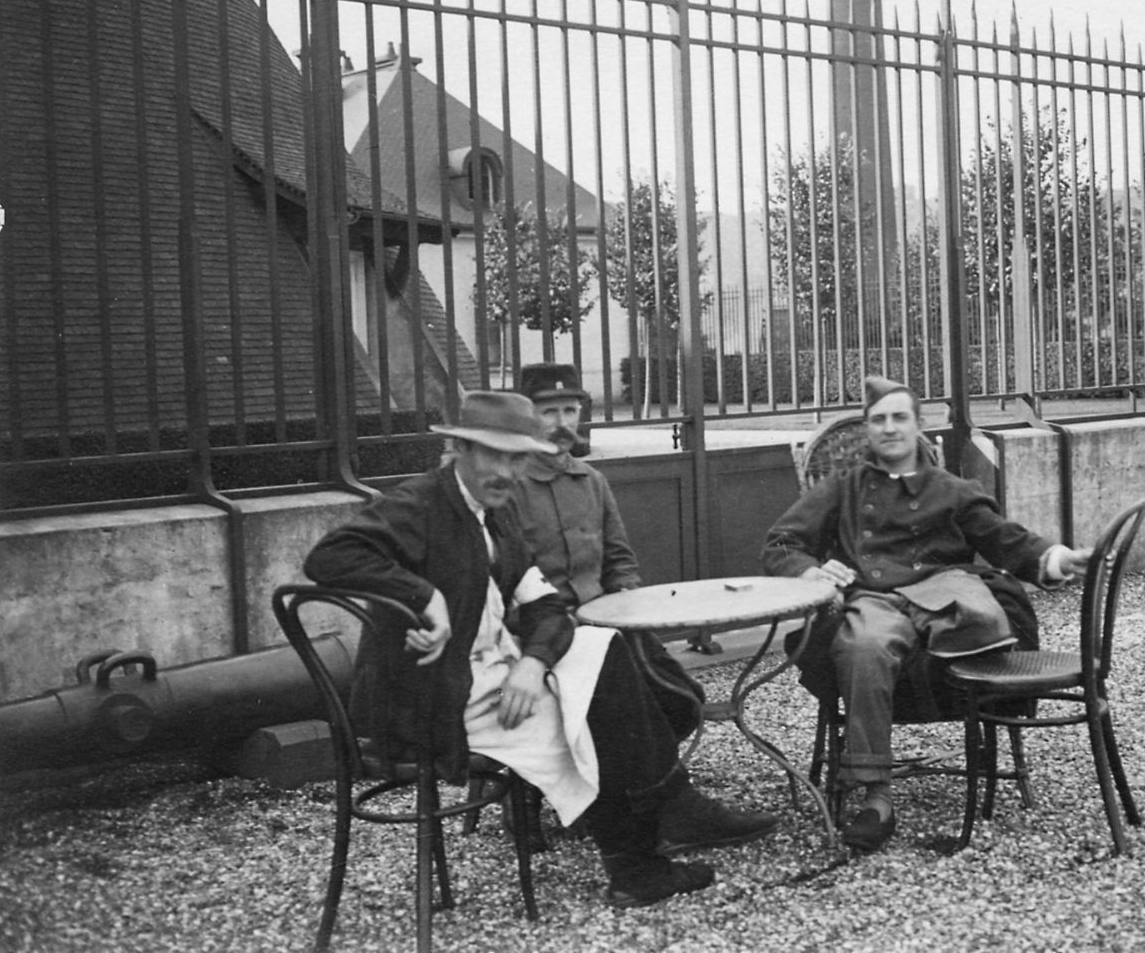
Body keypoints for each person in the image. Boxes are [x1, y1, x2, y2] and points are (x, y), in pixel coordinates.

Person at [303, 390, 768, 908]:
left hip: (492, 679)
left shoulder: (496, 516)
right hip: (426, 699)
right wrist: (422, 596)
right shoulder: (418, 504)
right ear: (460, 448)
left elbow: (545, 605)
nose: (507, 470)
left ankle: (653, 834)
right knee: (599, 709)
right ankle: (647, 846)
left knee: (606, 653)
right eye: (494, 454)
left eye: (518, 457)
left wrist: (533, 662)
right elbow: (329, 558)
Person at [761, 376, 1092, 853]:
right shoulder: (845, 488)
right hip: (876, 596)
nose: (889, 429)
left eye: (900, 418)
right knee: (863, 645)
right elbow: (781, 542)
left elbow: (1006, 539)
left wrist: (1056, 558)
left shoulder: (952, 489)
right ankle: (877, 796)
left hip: (946, 592)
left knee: (986, 623)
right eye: (878, 420)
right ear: (867, 431)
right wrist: (810, 570)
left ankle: (978, 732)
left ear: (919, 426)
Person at [509, 362, 776, 854]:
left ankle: (621, 796)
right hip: (539, 635)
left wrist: (626, 606)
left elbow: (619, 560)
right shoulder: (508, 488)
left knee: (681, 698)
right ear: (526, 417)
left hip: (604, 625)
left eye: (571, 409)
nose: (563, 421)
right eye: (550, 412)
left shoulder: (591, 482)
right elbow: (509, 581)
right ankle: (656, 809)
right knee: (630, 706)